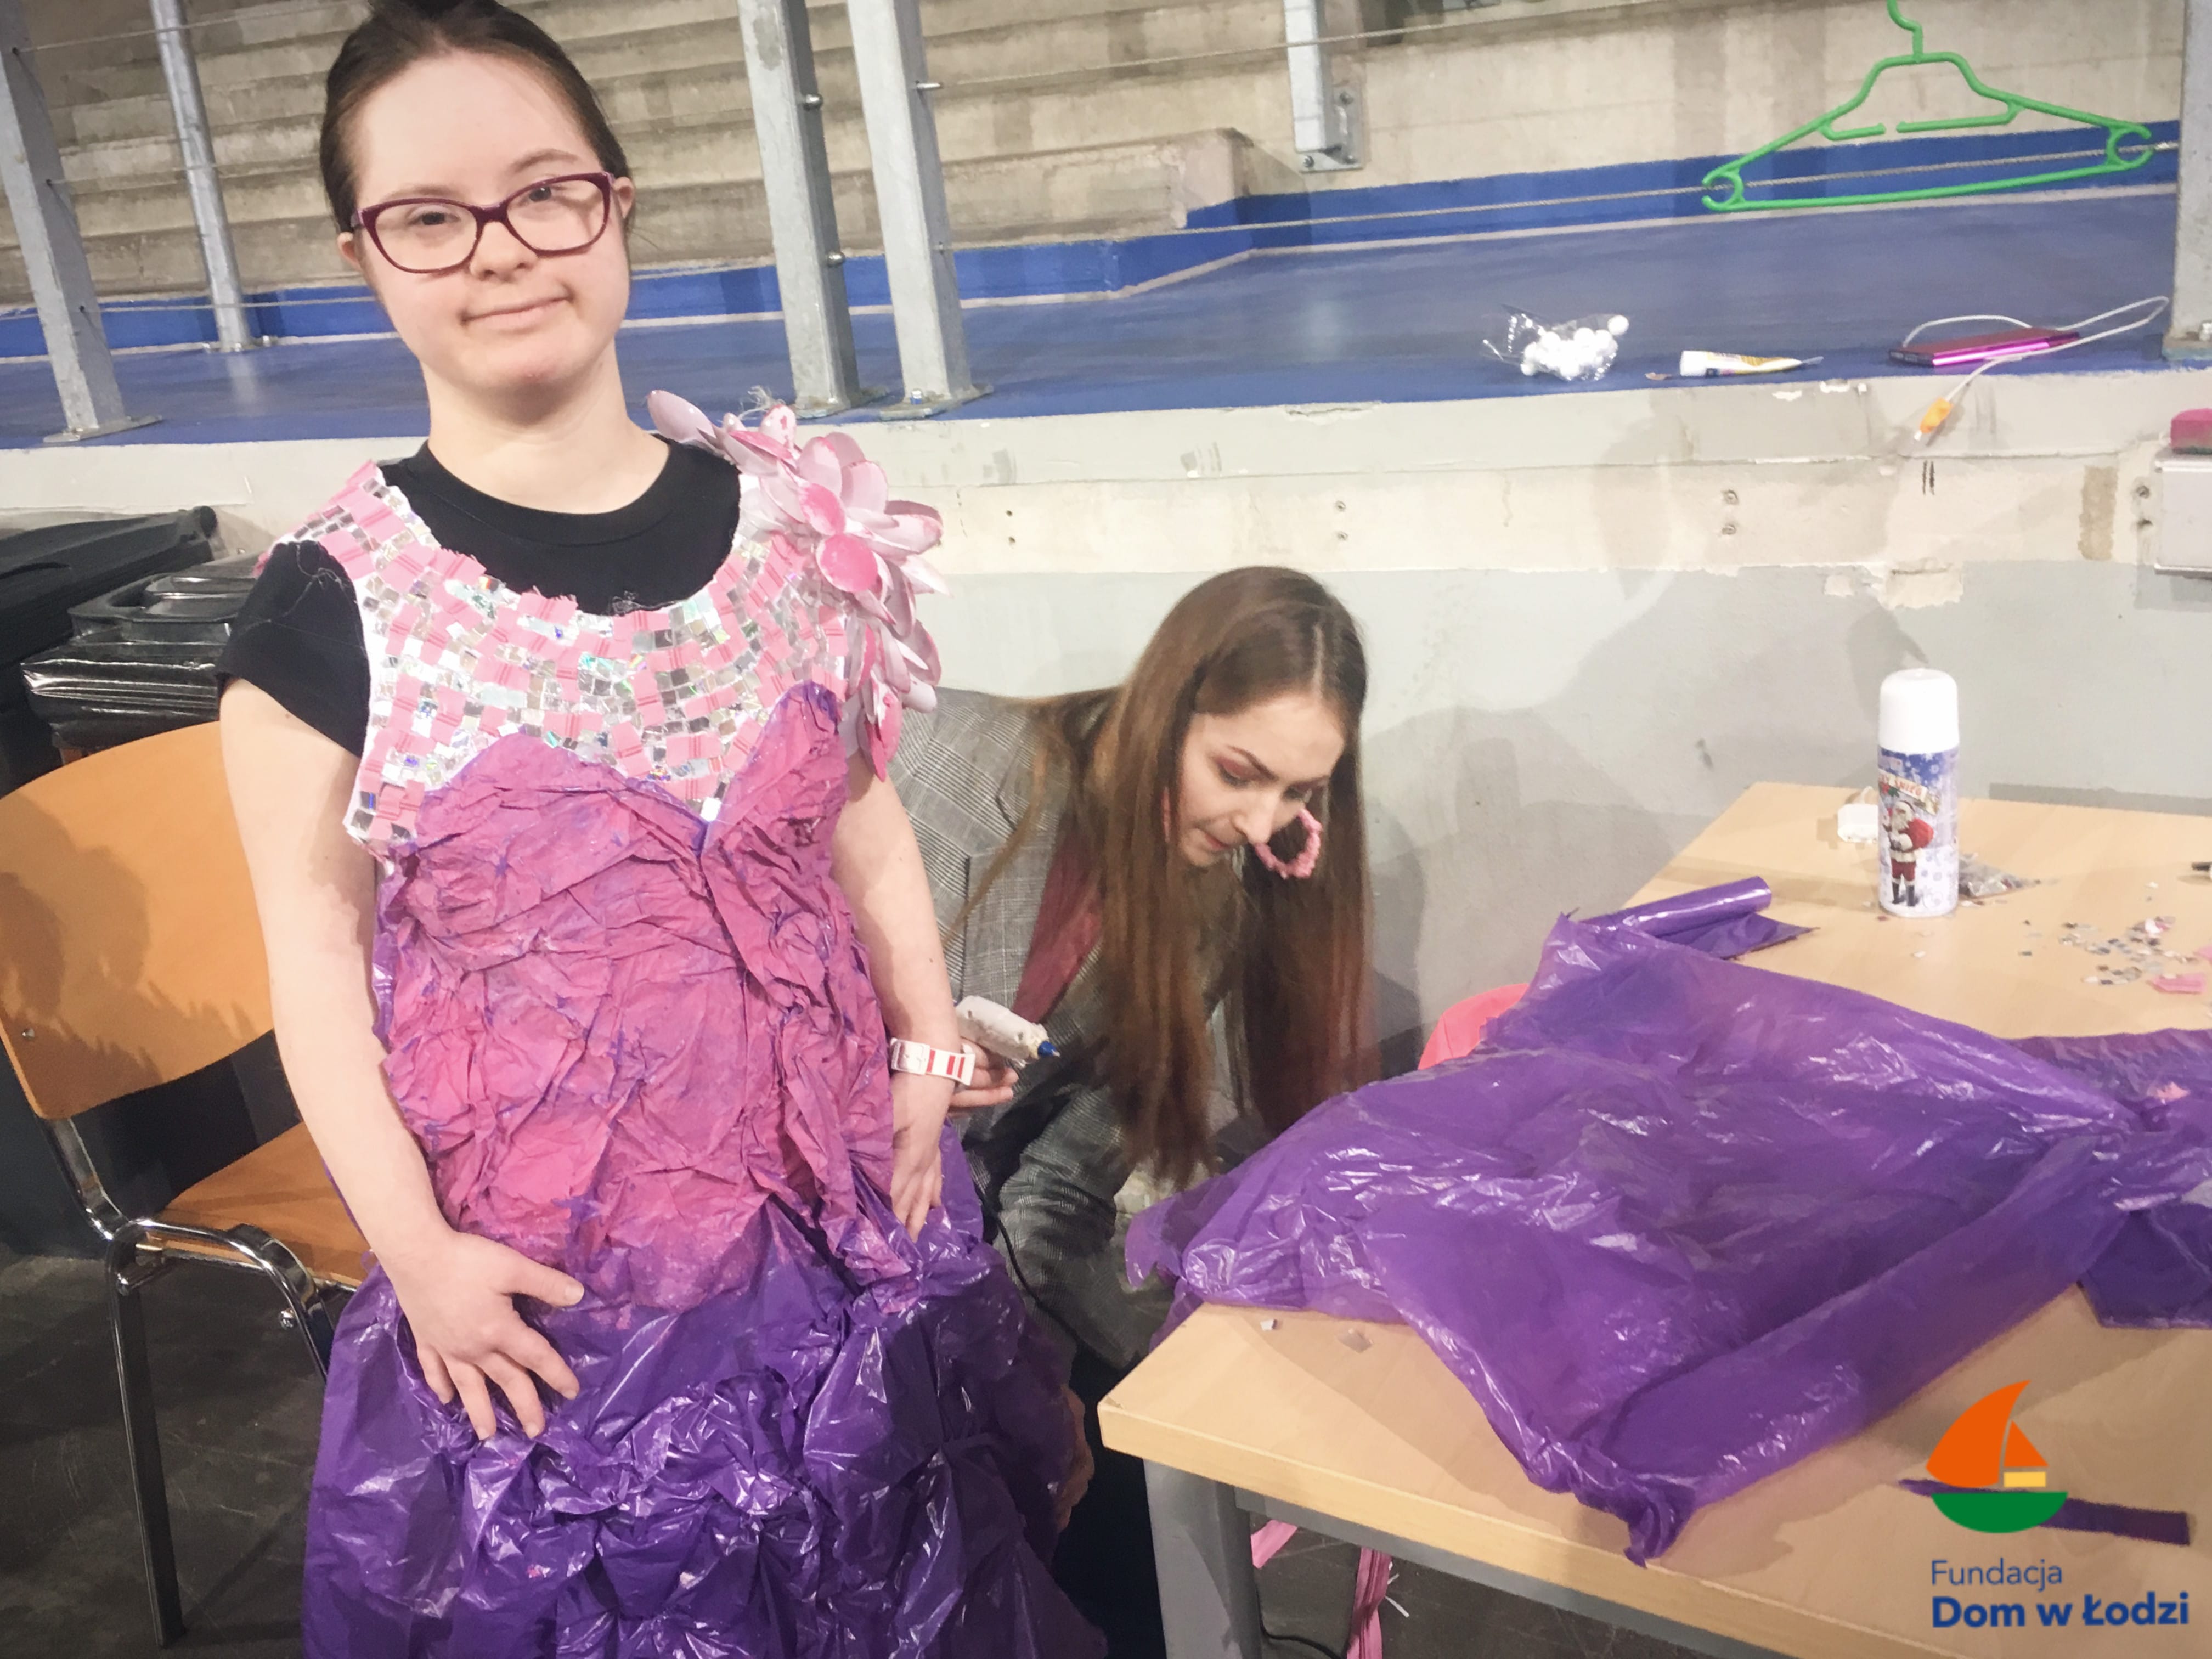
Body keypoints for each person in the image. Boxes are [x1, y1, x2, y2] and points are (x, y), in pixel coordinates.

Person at [217, 2, 1093, 1652]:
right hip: (564, 1300)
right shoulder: (330, 611)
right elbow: (316, 976)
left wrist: (922, 1053)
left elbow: (859, 814)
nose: (501, 249)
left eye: (545, 192)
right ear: (365, 256)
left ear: (616, 205)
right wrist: (420, 1260)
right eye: (430, 216)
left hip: (844, 1207)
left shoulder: (789, 530)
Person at [889, 566, 1374, 1656]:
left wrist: (1048, 1364)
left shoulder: (1207, 910)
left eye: (1300, 794)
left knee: (1139, 1477)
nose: (1263, 823)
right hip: (817, 1226)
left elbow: (1061, 1181)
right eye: (1239, 774)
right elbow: (737, 1031)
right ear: (1168, 701)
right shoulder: (936, 765)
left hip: (965, 1242)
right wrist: (890, 1079)